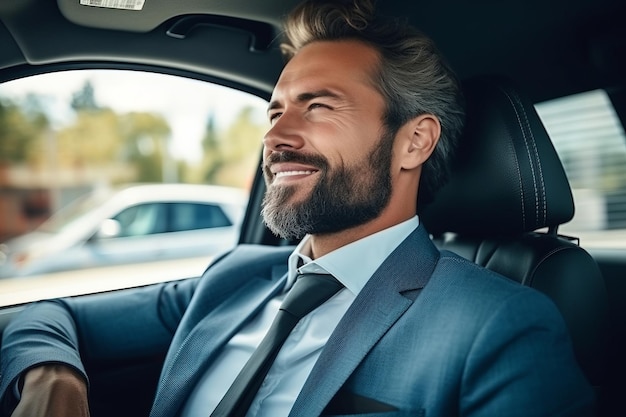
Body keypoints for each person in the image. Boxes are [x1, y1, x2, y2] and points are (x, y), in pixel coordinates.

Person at [0, 0, 595, 416]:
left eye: (319, 107)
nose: (276, 136)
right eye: (275, 110)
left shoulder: (500, 326)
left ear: (414, 141)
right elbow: (48, 315)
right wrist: (54, 376)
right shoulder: (231, 279)